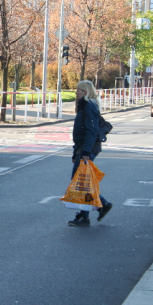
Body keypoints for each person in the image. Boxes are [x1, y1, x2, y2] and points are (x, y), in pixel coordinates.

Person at [69, 80, 113, 227]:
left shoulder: (88, 106)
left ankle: (86, 214)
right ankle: (100, 206)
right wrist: (76, 152)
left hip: (88, 149)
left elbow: (91, 131)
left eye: (79, 90)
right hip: (83, 148)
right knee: (81, 181)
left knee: (81, 182)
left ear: (85, 92)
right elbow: (80, 132)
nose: (76, 93)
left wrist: (86, 152)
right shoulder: (84, 106)